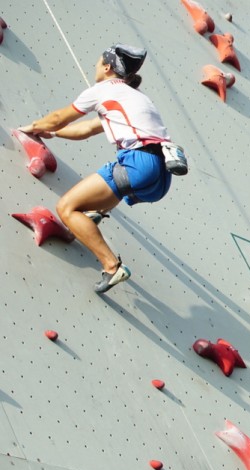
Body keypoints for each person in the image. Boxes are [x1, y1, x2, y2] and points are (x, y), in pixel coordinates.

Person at [18, 44, 174, 294]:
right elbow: (88, 129)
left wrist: (34, 126)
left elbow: (59, 117)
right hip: (161, 176)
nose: (95, 65)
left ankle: (112, 266)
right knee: (112, 179)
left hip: (138, 165)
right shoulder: (136, 97)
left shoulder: (103, 89)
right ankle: (94, 214)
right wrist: (53, 134)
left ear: (107, 67)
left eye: (98, 61)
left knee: (66, 207)